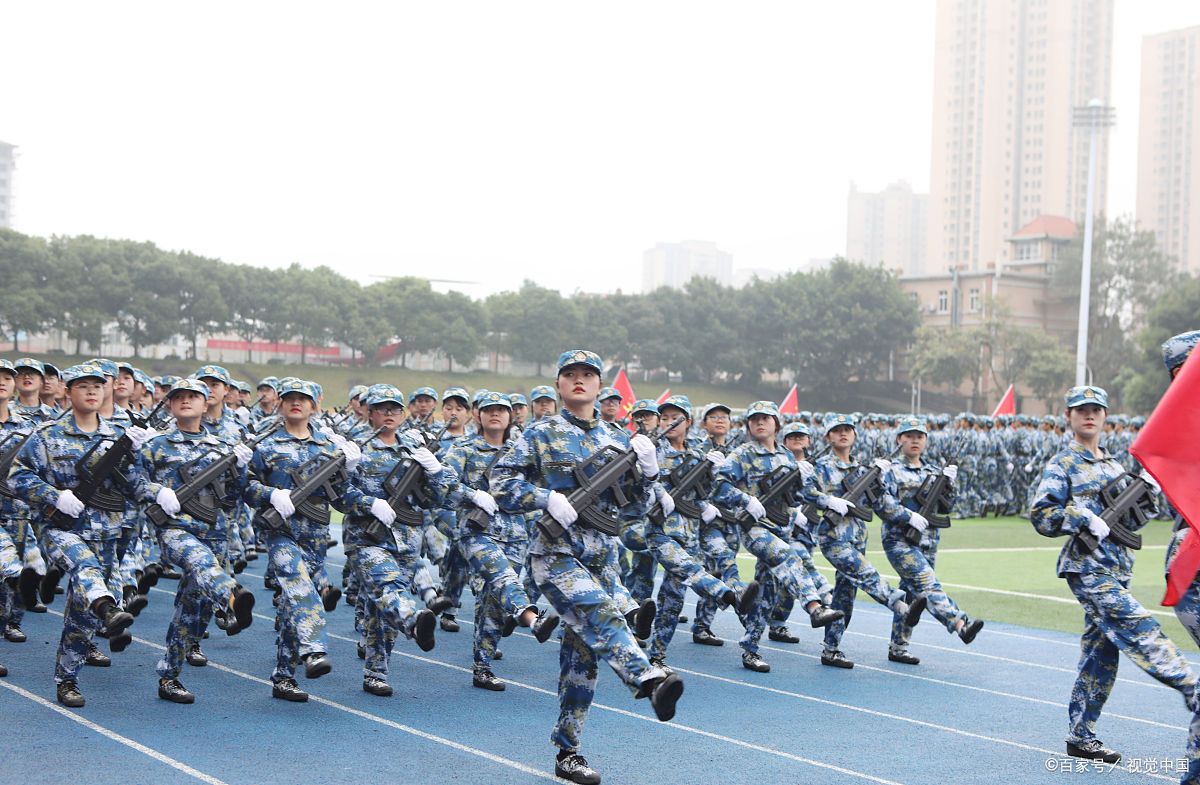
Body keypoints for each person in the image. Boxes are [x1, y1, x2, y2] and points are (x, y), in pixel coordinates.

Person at [492, 350, 683, 785]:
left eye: (588, 375)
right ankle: (648, 679)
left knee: (582, 663)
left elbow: (634, 510)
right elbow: (501, 483)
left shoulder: (618, 439)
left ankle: (568, 752)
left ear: (599, 385)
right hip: (555, 552)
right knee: (603, 612)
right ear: (559, 384)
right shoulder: (540, 433)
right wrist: (546, 498)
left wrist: (649, 474)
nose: (579, 380)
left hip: (601, 558)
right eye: (570, 374)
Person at [1031, 384, 1198, 765]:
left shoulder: (1114, 467)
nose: (1089, 415)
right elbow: (1042, 515)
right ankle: (1192, 686)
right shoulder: (1063, 464)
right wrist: (1081, 517)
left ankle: (1080, 736)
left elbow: (1134, 522)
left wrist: (1148, 493)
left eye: (1096, 409)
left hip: (1118, 567)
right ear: (1068, 417)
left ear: (1106, 416)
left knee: (1101, 655)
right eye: (1081, 409)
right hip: (1087, 566)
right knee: (1137, 623)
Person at [8, 362, 154, 707]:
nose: (91, 391)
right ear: (68, 391)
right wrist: (54, 495)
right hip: (60, 529)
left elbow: (136, 486)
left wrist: (140, 456)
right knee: (86, 568)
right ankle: (108, 607)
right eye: (82, 385)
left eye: (97, 386)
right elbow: (16, 476)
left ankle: (67, 678)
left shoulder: (119, 436)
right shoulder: (47, 435)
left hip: (106, 533)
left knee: (81, 614)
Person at [129, 378, 256, 704]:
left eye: (193, 396)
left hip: (214, 530)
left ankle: (169, 675)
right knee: (201, 562)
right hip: (175, 530)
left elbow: (234, 496)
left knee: (193, 610)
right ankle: (231, 595)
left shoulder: (221, 448)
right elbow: (133, 483)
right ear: (171, 405)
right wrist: (159, 492)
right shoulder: (156, 445)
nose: (186, 401)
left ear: (204, 403)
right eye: (179, 397)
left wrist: (242, 468)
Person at [244, 378, 359, 702]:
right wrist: (270, 494)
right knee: (300, 586)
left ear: (314, 405)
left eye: (304, 398)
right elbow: (245, 487)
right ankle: (315, 648)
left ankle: (283, 676)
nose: (297, 403)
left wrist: (350, 469)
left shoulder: (329, 448)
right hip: (280, 532)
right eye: (290, 398)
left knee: (291, 606)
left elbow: (342, 499)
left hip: (315, 536)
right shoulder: (266, 445)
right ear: (280, 404)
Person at [711, 401, 844, 673]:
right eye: (755, 419)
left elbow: (793, 498)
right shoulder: (742, 454)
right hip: (754, 528)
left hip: (780, 528)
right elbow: (719, 487)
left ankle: (750, 649)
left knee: (766, 594)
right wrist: (745, 500)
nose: (760, 422)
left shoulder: (786, 456)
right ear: (748, 425)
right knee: (789, 556)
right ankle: (815, 606)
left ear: (776, 423)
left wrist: (801, 479)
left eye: (766, 418)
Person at [443, 390, 559, 690]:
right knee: (503, 577)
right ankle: (530, 616)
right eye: (489, 409)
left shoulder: (521, 452)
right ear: (478, 415)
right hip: (476, 531)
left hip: (515, 534)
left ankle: (482, 666)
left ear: (510, 417)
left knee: (492, 601)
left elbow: (535, 490)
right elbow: (442, 484)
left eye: (502, 409)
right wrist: (472, 495)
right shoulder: (464, 448)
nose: (495, 414)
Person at [813, 413, 924, 670]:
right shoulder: (821, 467)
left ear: (855, 435)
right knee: (866, 573)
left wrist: (883, 483)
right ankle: (900, 606)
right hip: (833, 537)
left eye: (847, 430)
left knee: (845, 595)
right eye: (837, 430)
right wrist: (827, 500)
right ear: (828, 436)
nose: (843, 434)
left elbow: (882, 505)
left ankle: (831, 649)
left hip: (857, 537)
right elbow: (803, 491)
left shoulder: (863, 470)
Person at [878, 416, 982, 665]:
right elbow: (883, 503)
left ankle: (899, 646)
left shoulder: (934, 472)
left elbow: (947, 507)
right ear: (899, 439)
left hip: (928, 541)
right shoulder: (890, 470)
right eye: (909, 436)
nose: (915, 440)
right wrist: (908, 516)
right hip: (899, 539)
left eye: (920, 436)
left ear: (925, 440)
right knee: (928, 584)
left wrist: (950, 484)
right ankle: (960, 624)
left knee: (913, 594)